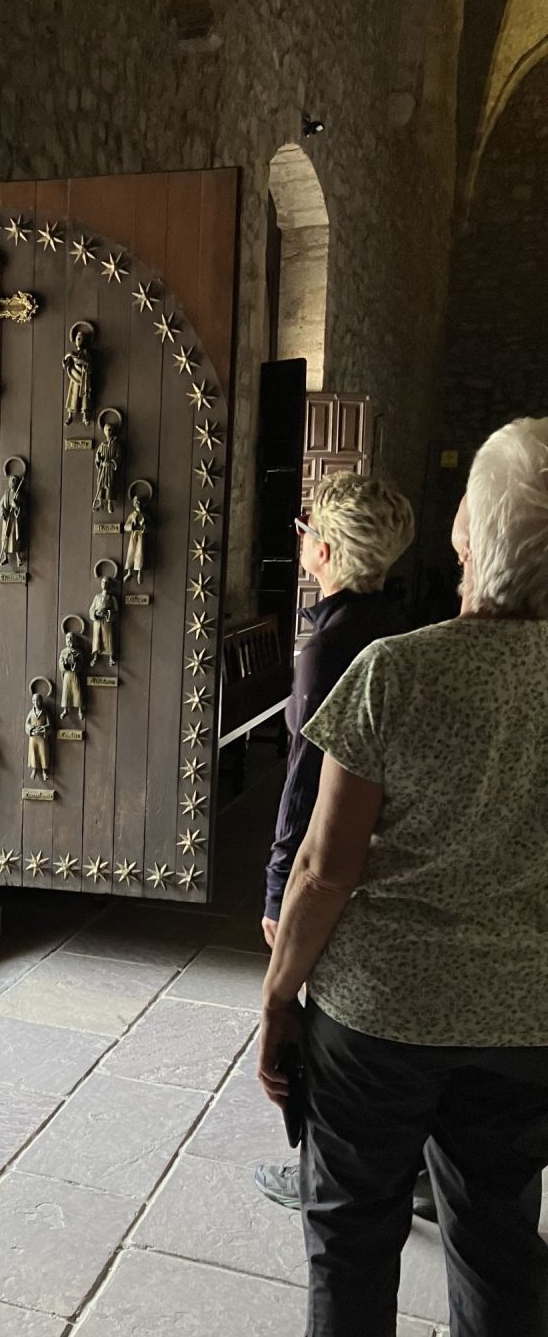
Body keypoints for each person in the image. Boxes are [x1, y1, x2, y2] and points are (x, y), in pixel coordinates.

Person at [259, 418, 548, 1337]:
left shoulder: (395, 670)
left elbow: (326, 868)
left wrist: (282, 997)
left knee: (353, 1228)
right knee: (498, 1237)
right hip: (526, 1020)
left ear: (470, 539)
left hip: (375, 1016)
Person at [251, 472, 429, 1216]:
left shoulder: (331, 644)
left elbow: (305, 780)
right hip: (387, 848)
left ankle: (321, 1169)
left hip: (330, 858)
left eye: (304, 531)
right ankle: (413, 1172)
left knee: (314, 1020)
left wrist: (275, 886)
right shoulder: (400, 626)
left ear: (322, 549)